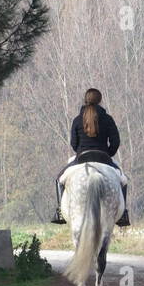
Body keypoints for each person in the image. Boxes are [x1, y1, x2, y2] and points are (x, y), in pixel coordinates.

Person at [51, 88, 130, 227]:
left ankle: (60, 211)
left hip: (82, 157)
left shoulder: (77, 120)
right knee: (123, 180)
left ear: (85, 100)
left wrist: (81, 150)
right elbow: (115, 141)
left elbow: (73, 143)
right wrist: (108, 154)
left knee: (59, 179)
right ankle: (123, 214)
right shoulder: (107, 119)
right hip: (104, 157)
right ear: (100, 100)